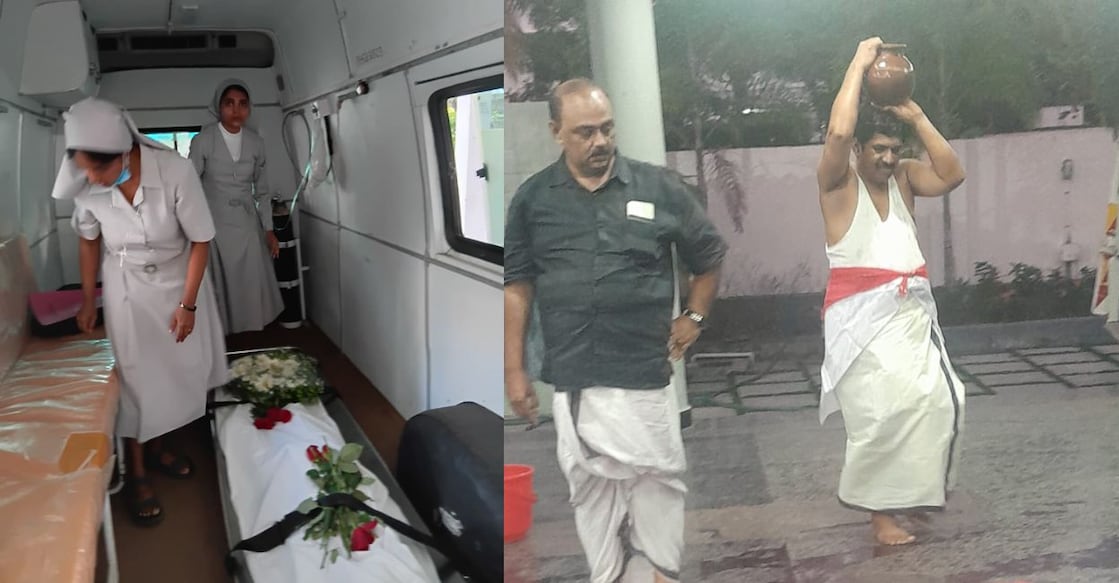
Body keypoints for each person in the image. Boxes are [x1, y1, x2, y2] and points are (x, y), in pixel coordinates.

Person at [504, 78, 727, 583]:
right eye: (585, 132)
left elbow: (709, 256)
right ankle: (608, 575)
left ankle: (659, 576)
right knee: (590, 489)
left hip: (643, 370)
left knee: (659, 480)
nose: (600, 141)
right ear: (556, 131)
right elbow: (517, 285)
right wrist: (513, 370)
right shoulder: (533, 199)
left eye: (606, 129)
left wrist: (693, 317)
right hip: (576, 372)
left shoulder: (657, 187)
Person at [816, 37, 968, 546]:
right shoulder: (837, 185)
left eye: (892, 148)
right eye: (876, 149)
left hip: (909, 315)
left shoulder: (904, 179)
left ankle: (913, 498)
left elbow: (953, 173)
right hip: (858, 321)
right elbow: (839, 128)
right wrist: (859, 64)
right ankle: (880, 518)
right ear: (858, 151)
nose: (886, 157)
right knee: (881, 416)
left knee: (938, 402)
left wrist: (916, 115)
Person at [51, 97, 229, 526]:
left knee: (175, 368)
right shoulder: (88, 182)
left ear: (125, 153)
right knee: (135, 375)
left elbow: (200, 240)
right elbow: (89, 239)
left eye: (99, 170)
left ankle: (162, 447)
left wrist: (188, 305)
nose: (91, 179)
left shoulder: (175, 172)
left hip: (179, 281)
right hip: (126, 285)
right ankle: (138, 473)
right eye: (85, 170)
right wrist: (88, 298)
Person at [188, 79, 284, 334]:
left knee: (251, 281)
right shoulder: (203, 140)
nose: (236, 110)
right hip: (214, 222)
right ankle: (224, 335)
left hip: (246, 221)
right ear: (219, 107)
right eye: (229, 103)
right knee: (222, 282)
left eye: (242, 104)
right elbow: (189, 185)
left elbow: (262, 191)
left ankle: (251, 331)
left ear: (249, 108)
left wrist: (268, 230)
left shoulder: (256, 143)